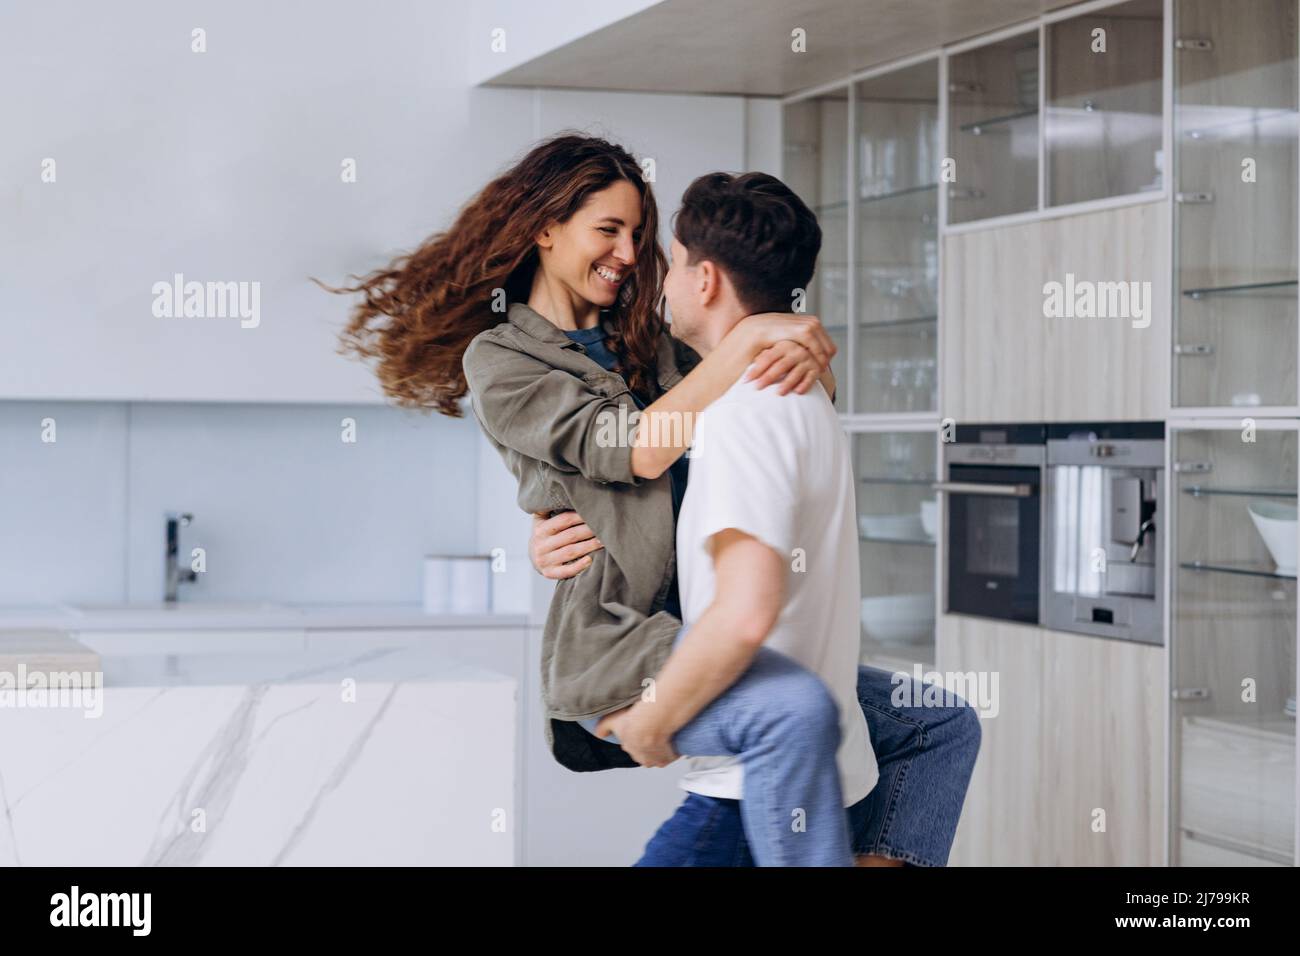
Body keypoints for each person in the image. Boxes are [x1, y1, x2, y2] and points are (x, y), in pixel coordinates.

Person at [328, 132, 981, 865]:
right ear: (545, 228)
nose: (630, 252)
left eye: (639, 233)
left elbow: (781, 395)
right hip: (619, 639)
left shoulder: (650, 333)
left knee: (936, 725)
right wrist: (749, 342)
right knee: (788, 713)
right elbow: (632, 446)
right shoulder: (501, 359)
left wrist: (794, 357)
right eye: (608, 230)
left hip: (707, 621)